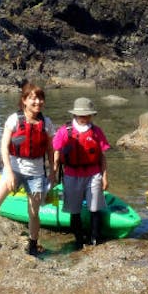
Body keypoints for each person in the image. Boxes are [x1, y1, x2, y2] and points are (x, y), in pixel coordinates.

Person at [0, 82, 56, 257]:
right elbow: (4, 147)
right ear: (24, 100)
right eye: (33, 98)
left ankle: (33, 245)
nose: (38, 102)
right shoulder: (13, 119)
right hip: (14, 168)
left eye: (40, 98)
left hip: (36, 173)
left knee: (34, 212)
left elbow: (50, 150)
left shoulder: (46, 123)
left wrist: (53, 173)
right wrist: (9, 172)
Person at [52, 97, 110, 249]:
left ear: (91, 115)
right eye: (81, 115)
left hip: (93, 174)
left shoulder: (96, 132)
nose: (84, 118)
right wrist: (53, 174)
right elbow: (56, 153)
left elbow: (102, 156)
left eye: (87, 115)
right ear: (75, 115)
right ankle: (78, 239)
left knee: (94, 208)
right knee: (74, 210)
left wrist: (104, 177)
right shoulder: (64, 131)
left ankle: (95, 238)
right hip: (71, 174)